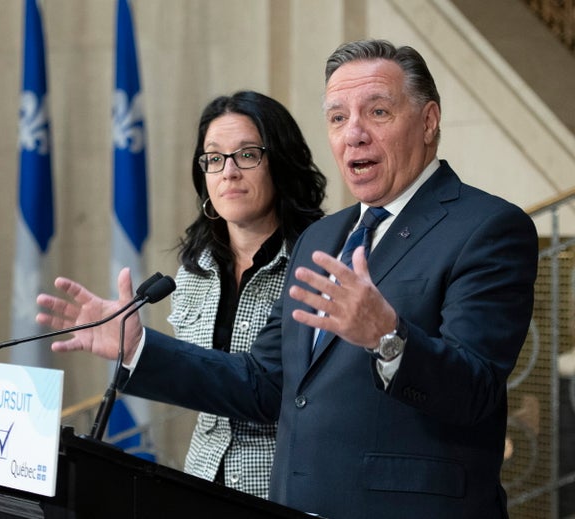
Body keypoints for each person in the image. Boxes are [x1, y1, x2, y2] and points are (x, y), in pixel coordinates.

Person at [37, 39, 539, 518]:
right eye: (338, 118)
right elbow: (266, 384)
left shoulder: (487, 227)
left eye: (378, 112)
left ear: (429, 121)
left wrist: (388, 337)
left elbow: (475, 390)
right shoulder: (323, 239)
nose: (354, 133)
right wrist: (138, 347)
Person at [165, 91, 326, 497]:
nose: (228, 172)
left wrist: (145, 352)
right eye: (214, 158)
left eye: (247, 155)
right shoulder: (192, 272)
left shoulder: (319, 265)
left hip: (285, 491)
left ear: (281, 164)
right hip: (201, 483)